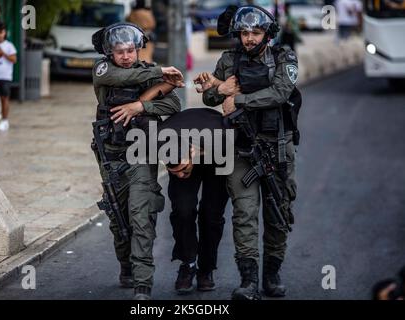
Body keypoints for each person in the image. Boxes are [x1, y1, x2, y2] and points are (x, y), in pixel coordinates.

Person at [201, 5, 300, 300]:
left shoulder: (284, 58)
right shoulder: (229, 60)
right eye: (244, 33)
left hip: (278, 149)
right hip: (241, 150)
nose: (249, 38)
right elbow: (209, 95)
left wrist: (239, 98)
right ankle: (248, 280)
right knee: (244, 215)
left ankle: (272, 273)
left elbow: (280, 92)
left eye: (255, 32)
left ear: (267, 34)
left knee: (278, 214)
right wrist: (220, 90)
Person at [91, 22, 182, 300]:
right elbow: (119, 79)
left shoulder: (148, 73)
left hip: (142, 154)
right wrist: (158, 73)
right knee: (119, 219)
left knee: (141, 217)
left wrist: (142, 106)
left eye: (131, 50)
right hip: (112, 156)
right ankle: (126, 265)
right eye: (120, 52)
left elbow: (174, 104)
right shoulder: (103, 70)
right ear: (110, 53)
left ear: (137, 49)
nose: (127, 56)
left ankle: (143, 284)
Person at [161, 107, 229, 295]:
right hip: (182, 139)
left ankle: (206, 269)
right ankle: (188, 263)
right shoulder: (160, 139)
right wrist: (177, 167)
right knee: (182, 210)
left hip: (219, 154)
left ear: (190, 155)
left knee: (211, 215)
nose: (181, 175)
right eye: (176, 172)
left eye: (183, 169)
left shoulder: (223, 139)